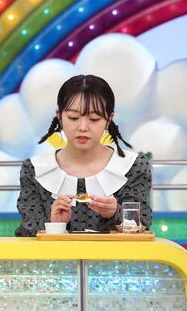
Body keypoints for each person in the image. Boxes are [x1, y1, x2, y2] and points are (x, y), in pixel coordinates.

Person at [15, 74, 152, 237]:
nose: (83, 127)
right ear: (59, 116)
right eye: (73, 118)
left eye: (94, 119)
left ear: (109, 119)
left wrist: (116, 212)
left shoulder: (132, 167)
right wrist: (55, 225)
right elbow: (27, 236)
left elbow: (143, 227)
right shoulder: (35, 170)